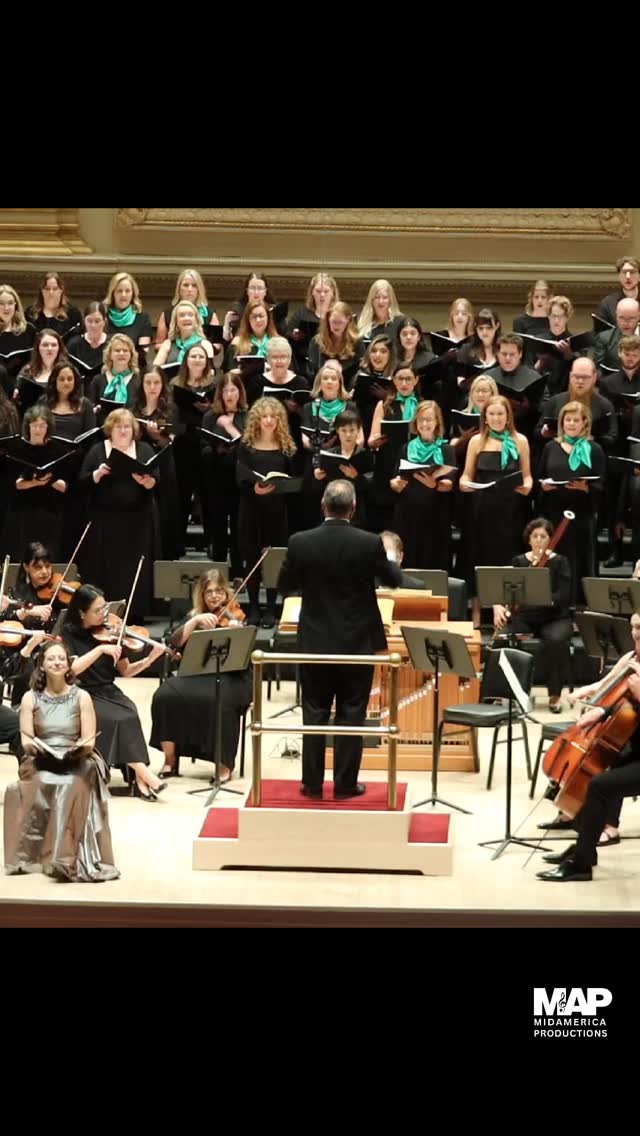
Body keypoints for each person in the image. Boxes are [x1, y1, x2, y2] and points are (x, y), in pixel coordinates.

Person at [279, 480, 402, 798]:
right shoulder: (369, 543)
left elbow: (285, 585)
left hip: (315, 642)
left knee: (314, 712)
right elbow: (393, 579)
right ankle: (346, 783)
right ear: (353, 507)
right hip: (356, 642)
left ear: (323, 505)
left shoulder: (299, 542)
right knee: (352, 712)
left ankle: (312, 783)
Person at [536, 608, 640, 882]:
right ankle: (584, 849)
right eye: (634, 627)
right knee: (593, 773)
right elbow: (623, 702)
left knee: (599, 787)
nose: (635, 634)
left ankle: (581, 865)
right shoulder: (634, 660)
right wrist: (601, 712)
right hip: (635, 749)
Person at [3, 638, 119, 882]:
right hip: (41, 757)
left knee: (71, 785)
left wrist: (77, 749)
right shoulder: (30, 698)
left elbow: (88, 740)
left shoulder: (82, 696)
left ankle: (65, 859)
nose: (57, 662)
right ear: (41, 665)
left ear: (68, 664)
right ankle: (34, 856)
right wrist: (36, 748)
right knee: (27, 785)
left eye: (61, 658)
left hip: (78, 758)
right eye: (51, 658)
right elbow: (26, 737)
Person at [63, 585, 166, 800]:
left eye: (105, 608)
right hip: (81, 694)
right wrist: (99, 649)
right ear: (82, 613)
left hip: (108, 690)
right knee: (115, 719)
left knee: (130, 713)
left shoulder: (111, 634)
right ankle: (145, 776)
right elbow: (72, 670)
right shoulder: (68, 634)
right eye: (97, 610)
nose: (104, 614)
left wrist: (149, 660)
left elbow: (126, 671)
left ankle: (140, 779)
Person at [151, 570, 253, 781]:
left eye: (219, 591)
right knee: (164, 696)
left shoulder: (234, 616)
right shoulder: (194, 616)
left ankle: (224, 765)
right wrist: (194, 621)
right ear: (202, 595)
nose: (214, 596)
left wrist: (237, 630)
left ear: (226, 593)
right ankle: (170, 760)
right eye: (209, 592)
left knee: (220, 701)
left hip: (233, 676)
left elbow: (244, 652)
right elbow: (173, 643)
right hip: (197, 674)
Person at [78, 408, 160, 623]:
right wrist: (98, 474)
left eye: (126, 427)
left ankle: (135, 613)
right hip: (105, 521)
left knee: (134, 570)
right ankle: (104, 613)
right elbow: (83, 482)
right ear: (110, 430)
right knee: (107, 569)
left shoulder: (144, 449)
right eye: (118, 427)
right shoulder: (98, 450)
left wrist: (146, 482)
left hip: (138, 521)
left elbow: (155, 481)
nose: (123, 431)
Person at [460, 394, 533, 627]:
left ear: (508, 417)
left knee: (507, 558)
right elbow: (466, 475)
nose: (496, 418)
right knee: (479, 557)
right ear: (485, 417)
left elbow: (528, 476)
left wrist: (527, 486)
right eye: (491, 414)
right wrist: (464, 484)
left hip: (510, 509)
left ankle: (506, 613)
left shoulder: (520, 440)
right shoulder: (476, 441)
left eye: (500, 414)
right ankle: (477, 612)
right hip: (482, 508)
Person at [492, 517, 573, 713]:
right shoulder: (520, 561)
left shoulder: (560, 562)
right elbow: (505, 590)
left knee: (556, 640)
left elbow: (564, 595)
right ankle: (501, 692)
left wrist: (541, 596)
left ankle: (554, 694)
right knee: (502, 637)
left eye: (543, 536)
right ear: (528, 539)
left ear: (550, 539)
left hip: (554, 617)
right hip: (525, 617)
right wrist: (498, 606)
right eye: (535, 536)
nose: (538, 540)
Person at [236, 397, 297, 627]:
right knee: (252, 556)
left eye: (273, 416)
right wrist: (254, 488)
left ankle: (271, 607)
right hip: (251, 508)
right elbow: (239, 477)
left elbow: (292, 479)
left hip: (276, 509)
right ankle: (253, 607)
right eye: (264, 416)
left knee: (273, 559)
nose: (269, 420)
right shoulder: (246, 446)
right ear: (257, 420)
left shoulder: (286, 448)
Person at [538, 401, 605, 603]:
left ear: (585, 423)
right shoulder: (550, 447)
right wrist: (544, 487)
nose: (572, 424)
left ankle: (580, 607)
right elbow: (540, 476)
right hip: (555, 512)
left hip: (581, 514)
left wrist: (587, 488)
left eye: (576, 420)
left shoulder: (594, 449)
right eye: (568, 420)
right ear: (562, 422)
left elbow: (602, 483)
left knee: (580, 560)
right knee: (556, 559)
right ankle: (555, 605)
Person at [390, 399, 457, 571]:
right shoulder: (406, 448)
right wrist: (396, 484)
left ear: (437, 422)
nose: (425, 424)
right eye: (421, 419)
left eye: (429, 419)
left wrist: (435, 484)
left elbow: (449, 484)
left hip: (436, 514)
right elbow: (395, 479)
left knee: (433, 561)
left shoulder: (446, 449)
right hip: (408, 514)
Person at [2, 405, 68, 560]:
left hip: (49, 511)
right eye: (34, 425)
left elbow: (64, 487)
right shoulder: (17, 448)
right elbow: (15, 484)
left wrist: (48, 481)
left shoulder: (58, 450)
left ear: (48, 428)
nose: (38, 430)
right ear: (28, 426)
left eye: (42, 426)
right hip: (22, 511)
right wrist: (35, 483)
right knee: (21, 555)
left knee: (47, 555)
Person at [201, 371, 247, 575]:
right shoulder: (210, 416)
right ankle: (218, 573)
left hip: (239, 481)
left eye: (233, 390)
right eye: (226, 390)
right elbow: (203, 448)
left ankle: (238, 572)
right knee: (218, 526)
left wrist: (230, 429)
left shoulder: (247, 416)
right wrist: (215, 449)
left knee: (239, 527)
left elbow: (250, 447)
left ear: (240, 392)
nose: (229, 395)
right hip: (217, 478)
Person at [155, 268, 222, 351]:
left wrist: (202, 347)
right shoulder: (167, 313)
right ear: (179, 288)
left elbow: (217, 346)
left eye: (194, 285)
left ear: (199, 289)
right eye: (186, 285)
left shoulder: (210, 314)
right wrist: (174, 347)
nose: (190, 289)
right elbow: (158, 345)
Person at [286, 273, 339, 375]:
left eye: (326, 291)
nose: (322, 295)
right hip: (305, 365)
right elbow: (287, 335)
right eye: (318, 291)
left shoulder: (339, 315)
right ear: (312, 293)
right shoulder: (301, 315)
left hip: (333, 363)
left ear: (333, 293)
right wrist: (294, 335)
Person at [66, 302, 111, 393]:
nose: (93, 325)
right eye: (89, 321)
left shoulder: (112, 343)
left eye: (97, 321)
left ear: (104, 322)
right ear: (84, 321)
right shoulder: (73, 344)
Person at [24, 271, 82, 341]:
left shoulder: (73, 313)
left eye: (55, 289)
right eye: (47, 289)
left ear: (61, 290)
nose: (51, 292)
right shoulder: (30, 313)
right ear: (42, 290)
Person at [103, 271, 152, 351]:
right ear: (113, 293)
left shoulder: (143, 319)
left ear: (133, 293)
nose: (124, 295)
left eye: (127, 291)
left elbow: (143, 352)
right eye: (119, 291)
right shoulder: (102, 316)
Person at [592, 298, 640, 372]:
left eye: (631, 318)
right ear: (616, 315)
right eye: (621, 318)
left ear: (638, 316)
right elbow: (597, 369)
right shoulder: (604, 338)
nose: (626, 323)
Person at [596, 257, 640, 327]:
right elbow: (601, 332)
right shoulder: (607, 303)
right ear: (619, 276)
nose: (628, 276)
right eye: (624, 272)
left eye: (632, 272)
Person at [357, 279, 404, 343]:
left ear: (390, 300)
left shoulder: (400, 323)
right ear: (372, 300)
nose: (381, 301)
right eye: (377, 297)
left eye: (385, 297)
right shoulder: (362, 323)